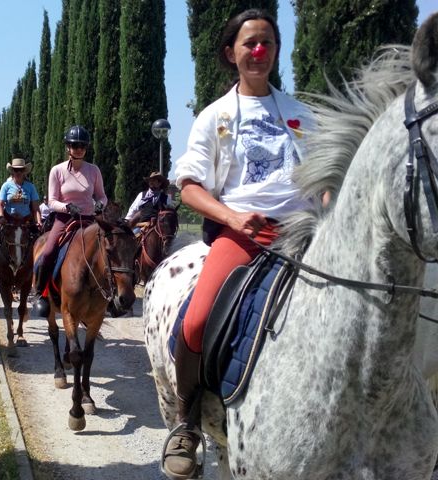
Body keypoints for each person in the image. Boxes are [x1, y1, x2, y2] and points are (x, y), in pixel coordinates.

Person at [161, 9, 316, 479]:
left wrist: (331, 205)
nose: (259, 50)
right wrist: (231, 217)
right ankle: (186, 422)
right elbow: (189, 187)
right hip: (244, 233)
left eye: (267, 42)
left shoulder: (302, 114)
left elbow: (324, 179)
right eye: (250, 43)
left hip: (306, 232)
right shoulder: (214, 117)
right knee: (195, 321)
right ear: (231, 53)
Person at [33, 125, 107, 317]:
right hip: (65, 218)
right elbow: (51, 201)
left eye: (82, 146)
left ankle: (110, 294)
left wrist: (100, 204)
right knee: (48, 252)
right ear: (68, 147)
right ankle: (40, 293)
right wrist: (67, 207)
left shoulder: (94, 170)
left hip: (89, 219)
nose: (79, 149)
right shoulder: (57, 170)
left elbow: (102, 196)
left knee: (108, 250)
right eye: (75, 145)